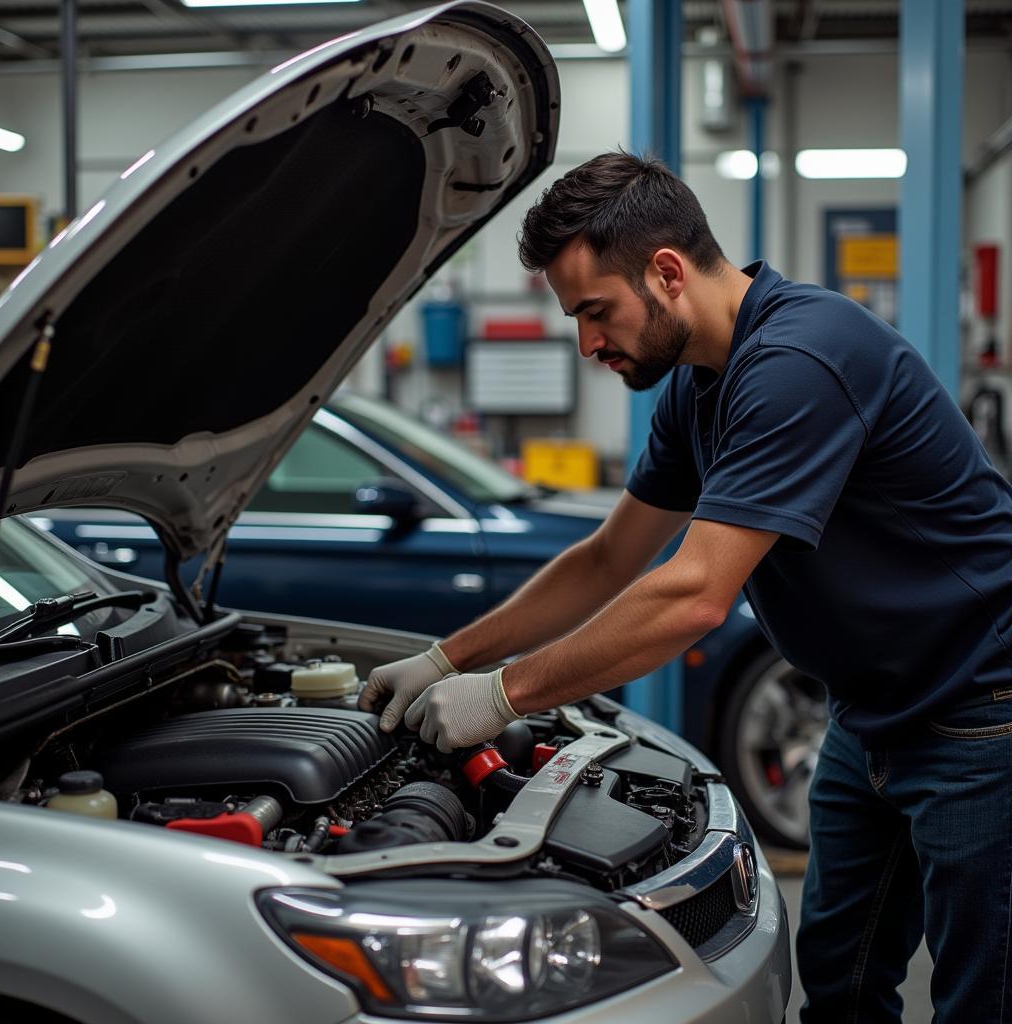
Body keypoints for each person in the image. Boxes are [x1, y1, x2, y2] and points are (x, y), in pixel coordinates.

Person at [358, 151, 1012, 1021]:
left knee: (982, 996)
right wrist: (446, 660)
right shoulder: (700, 388)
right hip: (870, 714)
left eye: (597, 311)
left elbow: (693, 593)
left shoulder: (801, 359)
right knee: (841, 979)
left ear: (666, 272)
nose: (588, 343)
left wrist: (504, 696)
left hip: (981, 710)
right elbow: (607, 560)